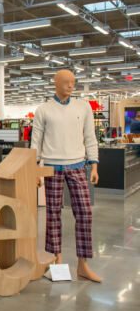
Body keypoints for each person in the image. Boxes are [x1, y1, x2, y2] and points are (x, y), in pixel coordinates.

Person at [31, 69, 101, 283]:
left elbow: (90, 136)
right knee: (53, 216)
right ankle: (56, 261)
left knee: (85, 213)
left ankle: (83, 264)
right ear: (56, 82)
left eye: (73, 82)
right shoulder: (43, 110)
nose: (71, 86)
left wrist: (94, 165)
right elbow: (36, 141)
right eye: (66, 82)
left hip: (78, 165)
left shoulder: (83, 106)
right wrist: (35, 168)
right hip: (52, 167)